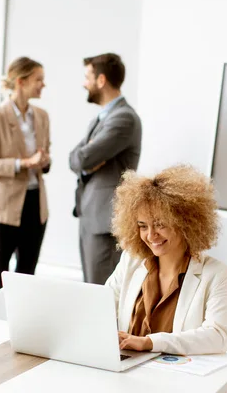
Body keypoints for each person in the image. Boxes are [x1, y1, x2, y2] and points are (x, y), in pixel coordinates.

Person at [106, 165, 227, 355]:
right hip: (128, 370)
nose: (151, 235)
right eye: (142, 226)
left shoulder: (217, 274)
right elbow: (100, 307)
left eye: (160, 225)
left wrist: (150, 342)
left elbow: (217, 337)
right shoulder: (130, 261)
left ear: (185, 223)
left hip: (177, 376)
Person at [0, 56, 51, 302]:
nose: (43, 85)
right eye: (38, 80)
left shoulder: (41, 116)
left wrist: (43, 161)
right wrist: (23, 164)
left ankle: (20, 333)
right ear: (21, 81)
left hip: (34, 205)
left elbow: (44, 159)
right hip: (3, 208)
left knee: (27, 276)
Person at [69, 53, 142, 285]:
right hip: (90, 216)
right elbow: (75, 159)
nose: (84, 83)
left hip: (104, 222)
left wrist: (86, 161)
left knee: (101, 293)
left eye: (87, 77)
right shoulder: (101, 119)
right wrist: (87, 163)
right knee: (91, 287)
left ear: (101, 80)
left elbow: (81, 158)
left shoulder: (123, 118)